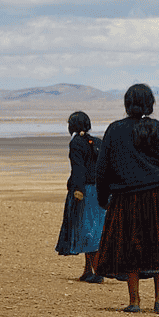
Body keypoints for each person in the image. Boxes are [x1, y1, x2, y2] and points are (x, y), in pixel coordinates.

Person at [95, 84, 159, 313]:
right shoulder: (157, 128)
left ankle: (134, 301)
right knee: (158, 243)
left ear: (126, 104)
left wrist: (103, 198)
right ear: (150, 103)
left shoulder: (114, 129)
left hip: (124, 196)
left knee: (130, 244)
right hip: (155, 195)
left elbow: (103, 167)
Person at [55, 111, 107, 283]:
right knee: (93, 229)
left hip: (85, 191)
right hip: (99, 190)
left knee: (88, 230)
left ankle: (97, 271)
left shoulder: (76, 143)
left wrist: (77, 190)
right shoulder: (97, 142)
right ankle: (88, 270)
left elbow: (78, 169)